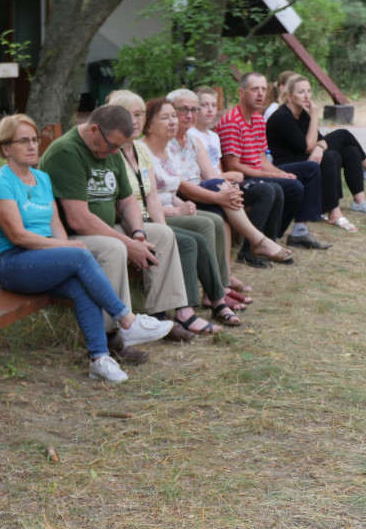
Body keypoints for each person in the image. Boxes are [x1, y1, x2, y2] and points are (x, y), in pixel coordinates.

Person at [0, 114, 173, 383]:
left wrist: (63, 245)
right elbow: (18, 236)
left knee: (81, 285)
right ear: (5, 148)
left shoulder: (41, 179)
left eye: (34, 140)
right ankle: (127, 320)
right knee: (79, 254)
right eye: (22, 141)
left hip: (42, 258)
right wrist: (65, 248)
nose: (32, 146)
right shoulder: (1, 183)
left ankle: (99, 358)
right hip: (11, 263)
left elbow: (56, 224)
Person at [38, 104, 191, 358]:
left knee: (161, 235)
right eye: (111, 146)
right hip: (68, 238)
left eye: (118, 148)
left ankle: (159, 318)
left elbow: (127, 200)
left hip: (104, 228)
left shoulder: (112, 148)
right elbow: (78, 220)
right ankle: (113, 336)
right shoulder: (66, 152)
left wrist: (138, 235)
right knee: (114, 248)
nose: (113, 152)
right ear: (94, 130)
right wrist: (127, 243)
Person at [111, 92, 236, 332]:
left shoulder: (140, 151)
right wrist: (170, 219)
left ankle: (217, 297)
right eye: (130, 115)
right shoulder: (114, 153)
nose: (135, 121)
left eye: (139, 115)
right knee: (189, 241)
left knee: (200, 233)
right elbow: (126, 204)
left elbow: (153, 197)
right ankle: (184, 311)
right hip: (128, 222)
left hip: (151, 217)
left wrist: (166, 228)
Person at [216, 71, 331, 251]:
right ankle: (264, 241)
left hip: (258, 173)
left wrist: (280, 173)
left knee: (300, 177)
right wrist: (270, 174)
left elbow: (261, 159)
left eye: (263, 89)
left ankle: (280, 234)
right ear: (241, 92)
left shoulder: (259, 120)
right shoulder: (233, 122)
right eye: (255, 89)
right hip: (240, 179)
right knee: (286, 187)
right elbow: (234, 166)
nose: (261, 94)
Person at [188, 86, 293, 271]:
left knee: (276, 188)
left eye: (213, 105)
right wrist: (228, 176)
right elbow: (203, 175)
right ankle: (249, 250)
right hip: (208, 186)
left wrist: (228, 177)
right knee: (265, 191)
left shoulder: (212, 136)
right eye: (204, 105)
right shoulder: (191, 136)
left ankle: (269, 242)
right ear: (195, 109)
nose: (210, 109)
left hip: (222, 182)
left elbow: (217, 166)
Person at [266, 73, 366, 229]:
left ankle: (359, 202)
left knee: (350, 151)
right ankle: (335, 212)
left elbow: (318, 139)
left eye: (308, 91)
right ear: (289, 96)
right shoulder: (282, 117)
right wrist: (314, 119)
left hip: (303, 157)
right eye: (301, 92)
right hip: (287, 163)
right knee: (335, 146)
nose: (307, 95)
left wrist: (319, 146)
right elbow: (306, 147)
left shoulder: (302, 113)